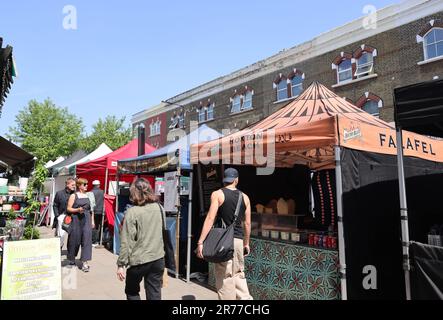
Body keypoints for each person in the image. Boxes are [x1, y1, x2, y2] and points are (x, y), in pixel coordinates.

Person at [196, 167, 253, 300]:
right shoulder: (245, 197)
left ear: (225, 180)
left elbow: (210, 218)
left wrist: (200, 241)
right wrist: (247, 243)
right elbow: (247, 224)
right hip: (238, 240)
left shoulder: (217, 194)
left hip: (223, 241)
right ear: (236, 180)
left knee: (225, 277)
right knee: (239, 274)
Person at [116, 178, 165, 300]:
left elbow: (126, 241)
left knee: (131, 291)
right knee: (154, 293)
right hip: (157, 258)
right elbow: (163, 232)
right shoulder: (159, 207)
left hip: (139, 260)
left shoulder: (132, 212)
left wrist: (121, 264)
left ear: (134, 192)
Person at [66, 178, 93, 272]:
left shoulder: (88, 195)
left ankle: (85, 263)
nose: (86, 186)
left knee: (86, 240)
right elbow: (68, 209)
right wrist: (77, 210)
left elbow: (90, 210)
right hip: (76, 219)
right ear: (79, 185)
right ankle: (72, 259)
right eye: (84, 184)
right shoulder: (73, 196)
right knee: (74, 239)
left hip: (86, 219)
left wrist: (92, 221)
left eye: (87, 184)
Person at [53, 177, 76, 249]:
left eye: (75, 185)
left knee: (72, 236)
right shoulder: (59, 193)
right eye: (72, 185)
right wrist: (57, 216)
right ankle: (58, 250)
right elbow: (55, 205)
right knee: (61, 236)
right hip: (62, 217)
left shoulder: (75, 195)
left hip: (72, 217)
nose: (74, 186)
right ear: (67, 185)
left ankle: (70, 253)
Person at [91, 180, 104, 245]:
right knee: (101, 226)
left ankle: (93, 241)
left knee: (93, 226)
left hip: (93, 212)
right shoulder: (102, 192)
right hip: (101, 212)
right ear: (99, 185)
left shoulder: (90, 192)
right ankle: (99, 240)